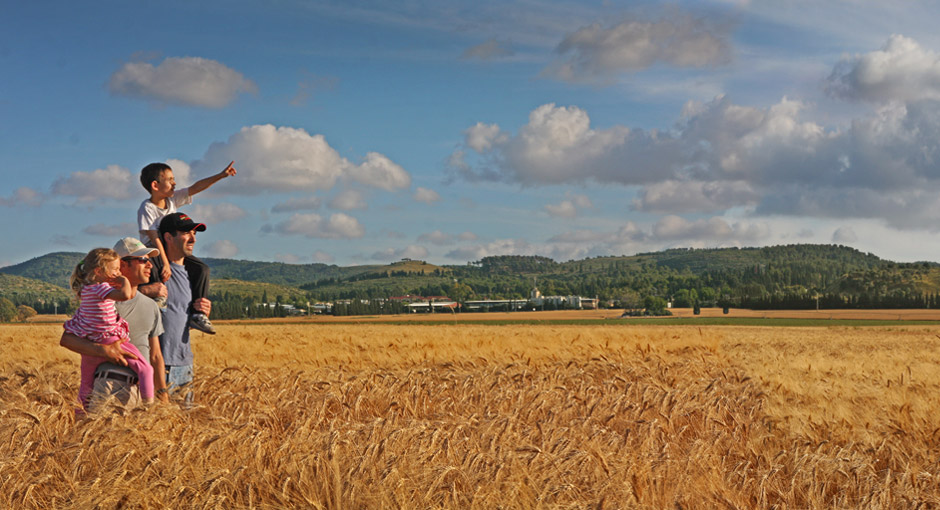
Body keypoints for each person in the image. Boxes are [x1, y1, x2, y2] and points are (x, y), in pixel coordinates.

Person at [60, 237, 169, 413]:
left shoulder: (150, 306)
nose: (150, 265)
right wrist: (104, 351)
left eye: (150, 260)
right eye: (142, 260)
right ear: (122, 266)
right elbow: (67, 339)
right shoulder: (102, 301)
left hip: (140, 391)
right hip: (107, 388)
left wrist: (162, 393)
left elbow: (155, 355)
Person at [137, 161, 235, 334]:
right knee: (151, 263)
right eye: (170, 179)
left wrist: (221, 175)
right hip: (155, 249)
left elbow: (196, 187)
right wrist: (166, 263)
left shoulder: (172, 200)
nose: (175, 183)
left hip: (172, 248)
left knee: (202, 268)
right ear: (155, 185)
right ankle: (159, 298)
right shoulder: (147, 208)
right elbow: (154, 237)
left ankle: (198, 314)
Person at [156, 212, 213, 404]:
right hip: (157, 364)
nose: (193, 238)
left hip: (184, 364)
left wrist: (202, 310)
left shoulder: (194, 275)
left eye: (195, 234)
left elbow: (180, 317)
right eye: (187, 233)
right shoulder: (152, 271)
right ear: (168, 237)